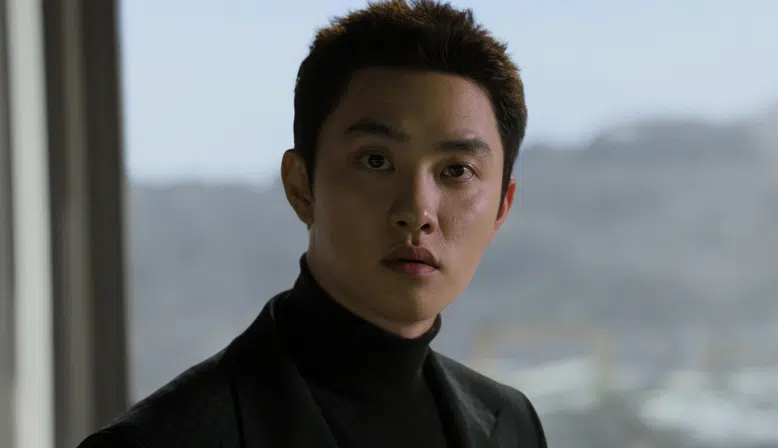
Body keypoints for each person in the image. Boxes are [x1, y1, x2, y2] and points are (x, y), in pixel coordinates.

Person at [78, 1, 546, 447]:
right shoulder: (155, 442)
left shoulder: (512, 425)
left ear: (501, 209)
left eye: (457, 170)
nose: (417, 211)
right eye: (376, 160)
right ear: (302, 186)